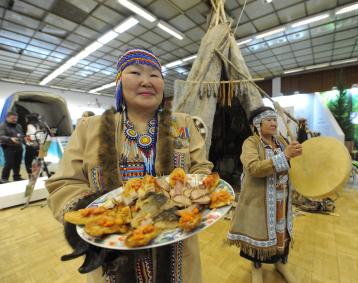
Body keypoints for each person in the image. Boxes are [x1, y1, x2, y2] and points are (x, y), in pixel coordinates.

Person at [45, 48, 213, 282]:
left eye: (155, 75)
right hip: (113, 250)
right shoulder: (89, 128)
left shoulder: (183, 124)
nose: (146, 81)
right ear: (119, 83)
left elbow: (201, 169)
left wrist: (198, 191)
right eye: (135, 72)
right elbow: (64, 183)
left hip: (176, 246)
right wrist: (91, 213)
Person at [227, 106, 302, 283]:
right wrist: (284, 156)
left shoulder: (281, 141)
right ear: (257, 124)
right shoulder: (251, 143)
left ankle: (281, 263)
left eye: (274, 119)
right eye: (268, 119)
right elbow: (253, 168)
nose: (273, 123)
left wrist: (296, 153)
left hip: (282, 198)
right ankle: (257, 268)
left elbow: (292, 162)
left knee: (282, 231)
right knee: (258, 232)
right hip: (259, 200)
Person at [0, 111, 24, 183]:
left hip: (19, 147)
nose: (15, 120)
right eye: (13, 118)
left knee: (17, 163)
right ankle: (4, 179)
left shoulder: (19, 126)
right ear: (7, 118)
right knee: (9, 163)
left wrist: (23, 139)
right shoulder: (2, 126)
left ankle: (17, 177)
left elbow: (21, 134)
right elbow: (1, 136)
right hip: (8, 147)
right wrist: (10, 139)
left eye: (16, 118)